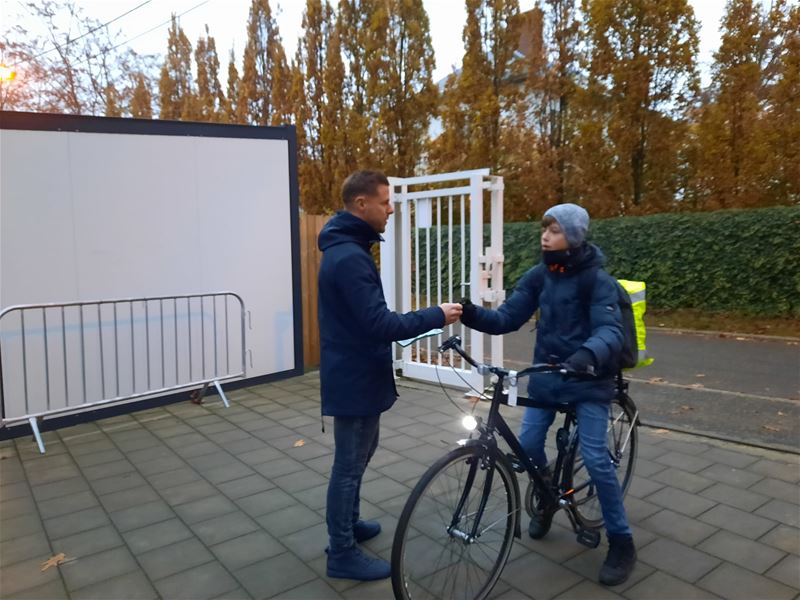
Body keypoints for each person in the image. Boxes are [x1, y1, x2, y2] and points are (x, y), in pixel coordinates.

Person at [460, 203, 637, 586]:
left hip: (589, 378)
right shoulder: (540, 275)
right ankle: (546, 491)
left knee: (595, 456)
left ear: (572, 236)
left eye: (554, 230)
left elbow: (610, 331)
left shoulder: (597, 281)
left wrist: (586, 355)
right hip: (547, 377)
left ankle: (622, 541)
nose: (545, 235)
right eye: (544, 228)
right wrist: (470, 313)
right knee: (527, 445)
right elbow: (507, 317)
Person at [318, 170, 463, 581]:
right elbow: (379, 324)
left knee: (361, 456)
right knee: (348, 465)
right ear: (361, 205)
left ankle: (350, 523)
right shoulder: (348, 257)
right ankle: (341, 551)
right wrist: (436, 314)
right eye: (385, 202)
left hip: (359, 372)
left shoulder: (349, 249)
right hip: (354, 376)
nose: (391, 209)